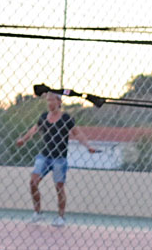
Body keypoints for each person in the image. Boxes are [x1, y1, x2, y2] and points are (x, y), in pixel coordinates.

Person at [14, 90, 99, 226]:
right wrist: (23, 139)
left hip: (59, 158)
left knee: (59, 187)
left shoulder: (66, 119)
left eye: (52, 100)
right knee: (33, 182)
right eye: (47, 100)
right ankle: (37, 213)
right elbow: (34, 129)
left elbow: (77, 133)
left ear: (59, 102)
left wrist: (88, 146)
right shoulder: (43, 117)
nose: (49, 103)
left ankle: (60, 217)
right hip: (44, 156)